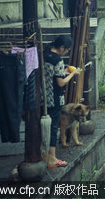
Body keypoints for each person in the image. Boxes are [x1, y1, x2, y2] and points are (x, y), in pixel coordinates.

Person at [43, 36, 79, 168]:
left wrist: (63, 72)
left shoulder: (45, 54)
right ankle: (52, 158)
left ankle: (43, 155)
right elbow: (60, 82)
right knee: (53, 128)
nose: (67, 52)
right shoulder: (57, 60)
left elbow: (52, 75)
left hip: (42, 97)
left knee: (43, 127)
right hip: (54, 99)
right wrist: (72, 74)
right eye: (67, 50)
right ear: (62, 47)